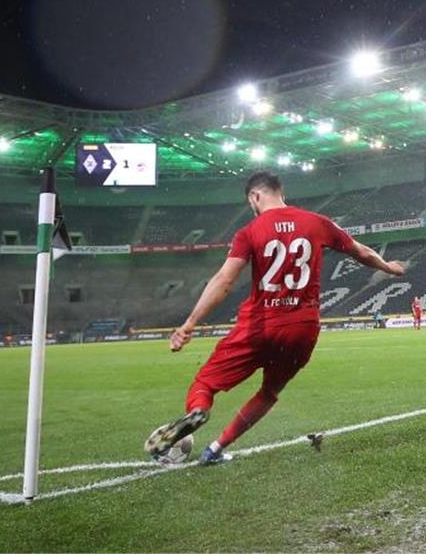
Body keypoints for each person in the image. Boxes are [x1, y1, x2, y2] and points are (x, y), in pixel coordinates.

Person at [145, 171, 406, 466]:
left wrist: (189, 323)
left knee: (205, 383)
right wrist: (389, 267)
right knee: (269, 393)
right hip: (302, 328)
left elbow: (225, 281)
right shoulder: (317, 223)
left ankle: (199, 409)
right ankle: (216, 449)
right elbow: (361, 251)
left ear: (255, 196)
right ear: (279, 192)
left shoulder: (250, 231)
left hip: (259, 325)